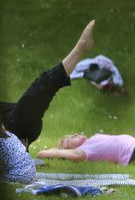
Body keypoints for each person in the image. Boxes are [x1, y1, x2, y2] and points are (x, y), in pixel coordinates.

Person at [1, 20, 96, 149]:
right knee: (43, 85)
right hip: (17, 129)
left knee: (40, 89)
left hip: (16, 126)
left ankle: (82, 45)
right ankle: (81, 46)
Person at [37, 106, 135, 167]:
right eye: (70, 138)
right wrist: (51, 151)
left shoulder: (92, 139)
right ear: (68, 149)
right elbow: (44, 153)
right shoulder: (84, 150)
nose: (75, 134)